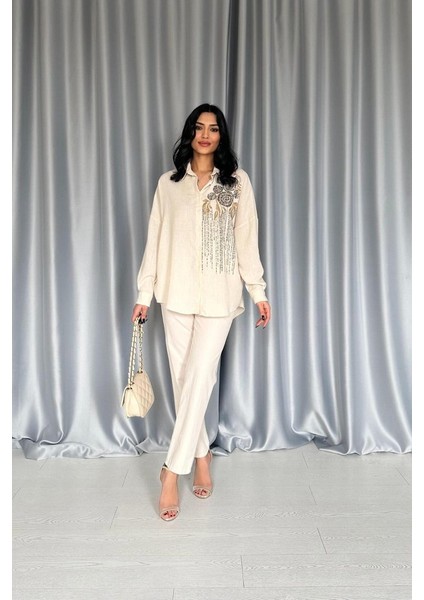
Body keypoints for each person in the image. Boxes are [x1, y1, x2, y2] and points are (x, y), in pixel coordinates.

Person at [131, 103, 271, 521]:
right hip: (174, 294)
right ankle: (202, 456)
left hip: (219, 297)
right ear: (190, 133)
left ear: (221, 136)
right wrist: (144, 293)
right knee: (183, 380)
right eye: (199, 127)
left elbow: (247, 239)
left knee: (199, 377)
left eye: (213, 128)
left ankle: (171, 472)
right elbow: (154, 239)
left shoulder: (236, 183)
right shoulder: (169, 184)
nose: (205, 135)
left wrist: (258, 291)